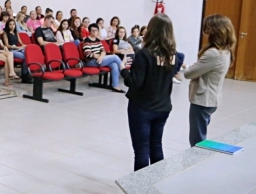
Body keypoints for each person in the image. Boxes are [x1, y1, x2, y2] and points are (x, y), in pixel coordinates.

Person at [120, 14, 176, 171]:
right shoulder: (172, 54)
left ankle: (139, 191)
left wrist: (124, 70)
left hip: (142, 108)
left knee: (142, 151)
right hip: (163, 107)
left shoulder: (144, 54)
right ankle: (157, 184)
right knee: (156, 146)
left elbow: (134, 83)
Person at [185, 15, 235, 146]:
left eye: (207, 28)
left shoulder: (213, 53)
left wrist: (186, 68)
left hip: (203, 100)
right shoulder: (225, 51)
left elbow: (189, 73)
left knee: (197, 140)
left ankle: (196, 162)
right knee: (200, 134)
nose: (205, 31)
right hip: (212, 98)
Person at [83, 24, 124, 92]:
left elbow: (103, 51)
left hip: (100, 59)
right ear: (89, 31)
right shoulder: (87, 40)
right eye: (92, 30)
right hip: (91, 61)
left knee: (114, 65)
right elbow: (88, 54)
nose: (94, 32)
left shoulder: (98, 40)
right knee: (115, 57)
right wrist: (100, 56)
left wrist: (101, 57)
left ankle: (115, 86)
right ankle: (124, 71)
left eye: (96, 30)